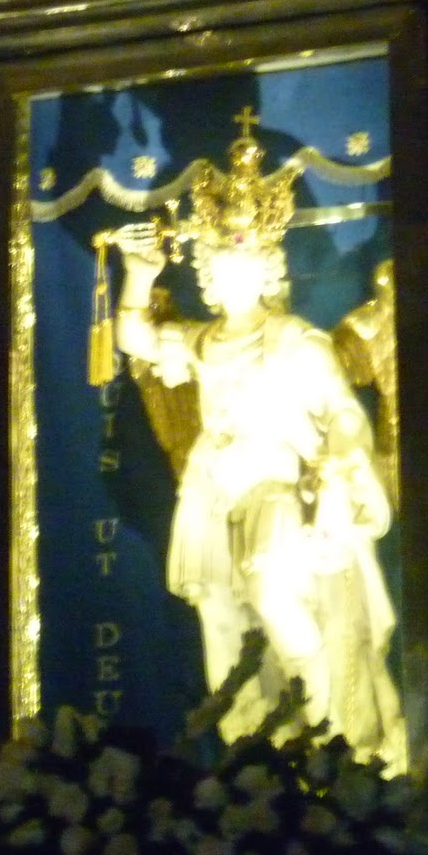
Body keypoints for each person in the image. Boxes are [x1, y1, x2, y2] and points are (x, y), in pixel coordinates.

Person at [107, 115, 405, 767]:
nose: (228, 272)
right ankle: (254, 751)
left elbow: (343, 411)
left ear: (267, 267)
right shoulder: (202, 341)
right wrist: (140, 274)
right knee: (222, 622)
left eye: (241, 260)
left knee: (273, 594)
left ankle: (328, 726)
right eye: (218, 263)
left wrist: (342, 462)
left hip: (278, 489)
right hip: (211, 495)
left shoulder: (297, 340)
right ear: (208, 274)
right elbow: (134, 339)